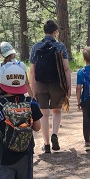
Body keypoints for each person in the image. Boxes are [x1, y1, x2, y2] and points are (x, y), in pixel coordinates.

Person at [29, 20, 71, 153]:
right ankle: (54, 135)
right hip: (56, 83)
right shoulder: (60, 46)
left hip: (40, 83)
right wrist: (68, 87)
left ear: (44, 31)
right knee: (56, 111)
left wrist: (32, 87)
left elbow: (32, 70)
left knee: (44, 114)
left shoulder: (36, 47)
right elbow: (66, 69)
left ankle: (46, 144)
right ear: (55, 32)